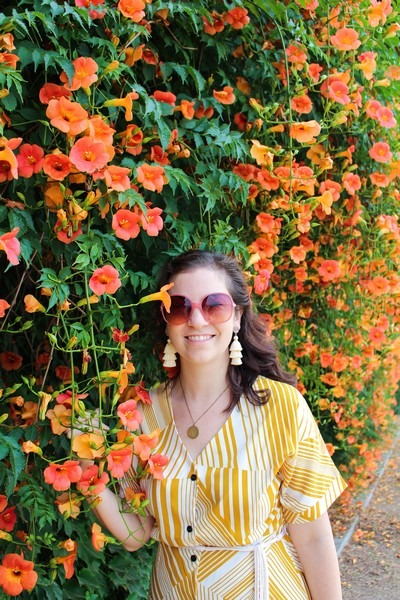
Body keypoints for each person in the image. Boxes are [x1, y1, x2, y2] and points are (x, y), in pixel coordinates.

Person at [87, 249, 347, 599]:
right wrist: (86, 469)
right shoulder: (141, 414)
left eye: (214, 305)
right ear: (165, 319)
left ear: (237, 316)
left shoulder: (281, 408)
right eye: (179, 306)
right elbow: (136, 534)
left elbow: (313, 536)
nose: (196, 320)